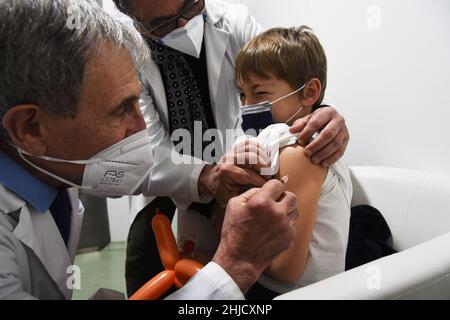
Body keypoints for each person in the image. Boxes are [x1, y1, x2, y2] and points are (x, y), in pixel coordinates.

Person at [0, 0, 298, 300]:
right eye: (121, 109)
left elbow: (290, 83)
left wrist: (314, 115)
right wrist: (236, 265)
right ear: (31, 129)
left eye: (191, 7)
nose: (142, 129)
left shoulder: (54, 171)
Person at [112, 0, 351, 297]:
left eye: (190, 7)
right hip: (171, 180)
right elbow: (143, 148)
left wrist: (322, 116)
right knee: (149, 269)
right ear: (136, 20)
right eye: (164, 23)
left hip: (245, 179)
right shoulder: (123, 51)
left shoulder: (235, 22)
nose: (186, 25)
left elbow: (285, 74)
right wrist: (208, 179)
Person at [177, 26, 353, 299]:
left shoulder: (298, 154)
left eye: (259, 94)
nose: (247, 106)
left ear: (309, 93)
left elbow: (286, 270)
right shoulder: (270, 145)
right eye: (242, 95)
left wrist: (224, 261)